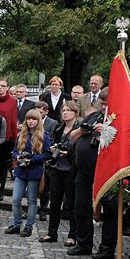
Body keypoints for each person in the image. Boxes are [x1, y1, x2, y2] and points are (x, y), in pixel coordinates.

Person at [68, 88, 117, 259]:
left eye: (106, 104)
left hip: (108, 172)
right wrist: (84, 131)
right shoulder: (93, 116)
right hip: (84, 171)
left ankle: (107, 248)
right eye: (102, 103)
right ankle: (83, 243)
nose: (103, 107)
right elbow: (72, 136)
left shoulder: (120, 120)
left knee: (110, 210)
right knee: (81, 206)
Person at [39, 102, 80, 245]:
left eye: (69, 110)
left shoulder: (79, 129)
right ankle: (52, 233)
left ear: (75, 113)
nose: (65, 113)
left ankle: (72, 235)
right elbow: (54, 145)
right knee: (55, 202)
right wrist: (53, 149)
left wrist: (68, 153)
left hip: (71, 170)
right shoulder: (59, 128)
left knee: (71, 204)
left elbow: (79, 150)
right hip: (56, 169)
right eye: (64, 110)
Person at [5, 110, 50, 237]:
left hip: (34, 171)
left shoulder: (43, 135)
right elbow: (13, 152)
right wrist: (18, 157)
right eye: (29, 119)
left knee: (31, 200)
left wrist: (32, 159)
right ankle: (16, 224)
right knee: (15, 200)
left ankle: (28, 226)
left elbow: (47, 154)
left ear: (38, 121)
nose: (31, 121)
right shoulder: (21, 135)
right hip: (21, 170)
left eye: (34, 119)